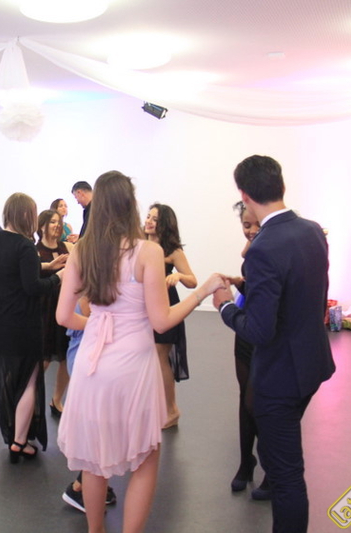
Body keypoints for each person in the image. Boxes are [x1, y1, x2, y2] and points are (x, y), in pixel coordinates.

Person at [56, 170, 225, 533]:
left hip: (91, 365)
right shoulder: (148, 252)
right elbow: (161, 321)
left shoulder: (81, 251)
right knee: (145, 458)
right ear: (129, 205)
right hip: (132, 366)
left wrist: (98, 324)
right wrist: (201, 292)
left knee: (94, 459)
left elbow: (63, 316)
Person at [213, 155, 335, 533]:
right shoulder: (312, 231)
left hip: (281, 375)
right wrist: (249, 286)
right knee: (279, 457)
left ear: (245, 195)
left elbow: (259, 330)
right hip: (312, 363)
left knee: (286, 476)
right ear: (281, 185)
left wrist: (225, 306)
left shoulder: (264, 247)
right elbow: (303, 292)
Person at [0, 193, 61, 462]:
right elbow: (33, 287)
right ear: (26, 215)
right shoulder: (25, 246)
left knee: (9, 377)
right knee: (29, 380)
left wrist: (44, 266)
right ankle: (19, 440)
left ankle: (14, 434)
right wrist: (58, 277)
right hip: (23, 322)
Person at [225, 201, 270, 498]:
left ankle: (270, 468)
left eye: (256, 224)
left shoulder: (272, 249)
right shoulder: (253, 249)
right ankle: (245, 462)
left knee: (261, 403)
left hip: (266, 335)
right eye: (246, 225)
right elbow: (255, 291)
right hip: (246, 332)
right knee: (246, 398)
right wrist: (239, 283)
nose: (251, 230)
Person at [144, 203, 197, 428]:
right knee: (147, 357)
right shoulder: (140, 244)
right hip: (143, 306)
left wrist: (179, 277)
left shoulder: (173, 251)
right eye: (148, 216)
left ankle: (171, 409)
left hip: (165, 304)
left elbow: (192, 280)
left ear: (164, 224)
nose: (148, 221)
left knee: (160, 356)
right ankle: (156, 407)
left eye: (154, 219)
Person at [36, 209, 71, 417]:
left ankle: (57, 400)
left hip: (65, 307)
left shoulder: (67, 248)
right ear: (42, 226)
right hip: (45, 310)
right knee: (44, 358)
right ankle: (30, 397)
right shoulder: (35, 251)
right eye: (52, 222)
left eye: (59, 222)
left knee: (66, 356)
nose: (57, 225)